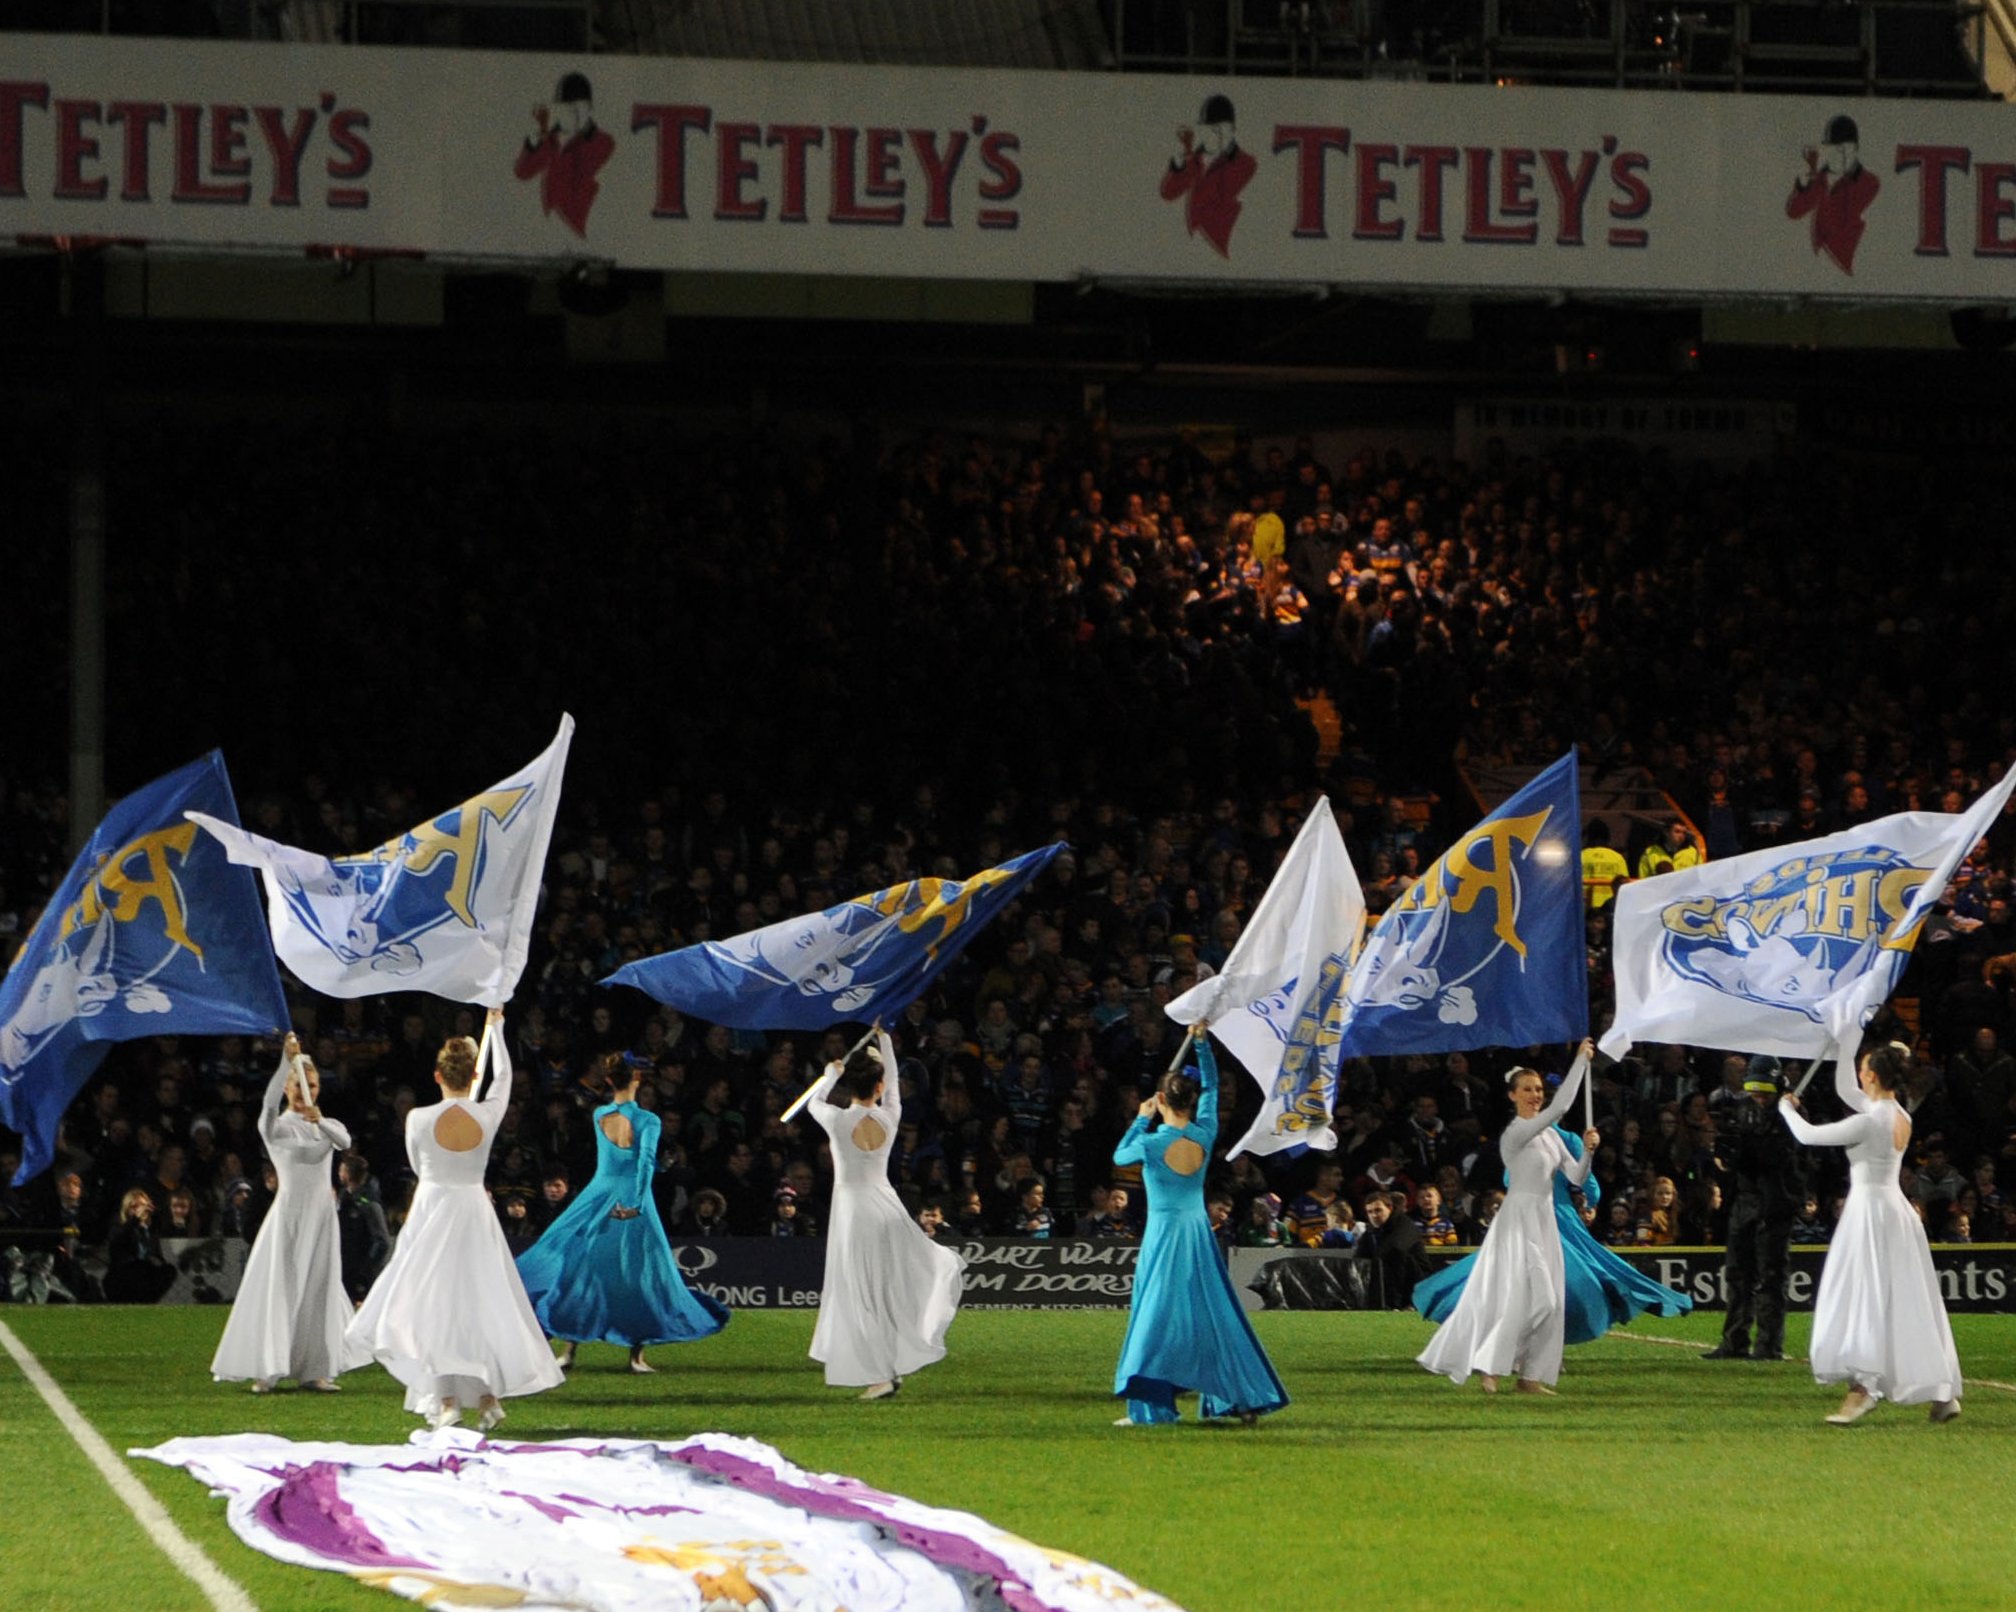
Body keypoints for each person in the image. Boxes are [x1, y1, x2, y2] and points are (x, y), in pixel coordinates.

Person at [344, 1011, 565, 1431]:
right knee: (476, 1302)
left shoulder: (418, 1119)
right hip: (470, 1209)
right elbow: (504, 1080)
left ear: (437, 1074)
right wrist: (498, 1029)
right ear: (472, 1073)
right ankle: (483, 1396)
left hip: (434, 1205)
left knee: (435, 1304)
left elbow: (417, 1163)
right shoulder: (486, 1115)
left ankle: (449, 1400)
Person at [1110, 1024, 1287, 1427]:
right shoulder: (1205, 1132)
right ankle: (1242, 1397)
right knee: (1212, 1312)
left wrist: (1141, 1119)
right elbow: (1212, 1089)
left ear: (1162, 1100)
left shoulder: (1152, 1143)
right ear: (1190, 1101)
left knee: (1154, 1314)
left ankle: (1150, 1406)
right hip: (1197, 1231)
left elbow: (1120, 1157)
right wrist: (1203, 1044)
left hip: (1166, 1233)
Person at [1780, 1041, 1962, 1424]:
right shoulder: (1899, 1113)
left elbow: (1808, 1136)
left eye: (1863, 1068)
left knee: (1864, 1295)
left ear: (1873, 1075)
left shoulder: (1870, 1119)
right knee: (1909, 1300)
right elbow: (1847, 1090)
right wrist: (1845, 1043)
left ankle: (1864, 1387)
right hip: (1894, 1208)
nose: (1859, 1075)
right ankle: (1942, 1392)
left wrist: (1786, 1110)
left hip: (1870, 1211)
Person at [516, 1052, 728, 1372]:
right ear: (637, 1079)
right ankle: (636, 1356)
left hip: (597, 1196)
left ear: (610, 1080)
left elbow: (618, 1158)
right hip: (629, 1196)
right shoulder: (648, 1120)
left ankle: (569, 1350)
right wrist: (637, 1205)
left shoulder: (599, 1113)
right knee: (640, 1273)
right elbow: (641, 1164)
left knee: (582, 1268)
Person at [1416, 1105, 1691, 1344]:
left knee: (1519, 1279)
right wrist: (1588, 1201)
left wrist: (1585, 1195)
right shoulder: (1563, 1139)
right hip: (1551, 1217)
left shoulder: (1521, 1138)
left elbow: (1513, 1181)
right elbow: (1587, 1183)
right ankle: (1534, 1347)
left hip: (1535, 1217)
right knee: (1566, 1282)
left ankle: (1527, 1347)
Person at [1417, 1043, 1599, 1393]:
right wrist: (1579, 1061)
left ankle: (1529, 1376)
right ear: (1512, 1095)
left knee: (1550, 1302)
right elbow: (1562, 1105)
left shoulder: (1549, 1136)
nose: (1535, 1095)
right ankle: (1492, 1365)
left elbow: (1575, 1178)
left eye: (1539, 1090)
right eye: (1528, 1089)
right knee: (1527, 1297)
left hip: (1544, 1219)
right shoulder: (1516, 1133)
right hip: (1518, 1219)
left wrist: (1588, 1152)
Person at [804, 1026, 964, 1400]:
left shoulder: (837, 1119)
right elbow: (892, 1085)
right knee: (882, 1289)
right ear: (877, 1087)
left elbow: (814, 1102)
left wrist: (829, 1077)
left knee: (862, 1292)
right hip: (885, 1203)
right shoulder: (890, 1116)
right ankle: (886, 1368)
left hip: (854, 1209)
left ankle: (880, 1375)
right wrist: (886, 1042)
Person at [211, 1035, 354, 1393]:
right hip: (290, 1215)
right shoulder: (278, 1126)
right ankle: (270, 1367)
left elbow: (344, 1142)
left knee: (318, 1288)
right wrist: (283, 1063)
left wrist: (318, 1119)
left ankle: (314, 1369)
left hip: (322, 1217)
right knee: (283, 1288)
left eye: (313, 1085)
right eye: (299, 1085)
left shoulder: (326, 1123)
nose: (307, 1091)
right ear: (290, 1087)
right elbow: (268, 1108)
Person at [1703, 1057, 1803, 1361]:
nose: (1758, 1096)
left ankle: (1768, 1345)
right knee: (1737, 1272)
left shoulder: (1790, 1114)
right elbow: (1735, 1158)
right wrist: (1726, 1157)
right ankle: (1734, 1341)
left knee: (1771, 1275)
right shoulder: (1743, 1110)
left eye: (1764, 1089)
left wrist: (1748, 1146)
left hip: (1775, 1203)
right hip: (1745, 1201)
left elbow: (1781, 1158)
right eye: (1753, 1088)